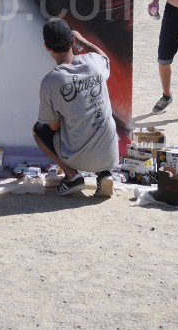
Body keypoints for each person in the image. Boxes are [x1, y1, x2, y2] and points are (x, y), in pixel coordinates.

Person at [33, 18, 120, 197]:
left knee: (39, 130)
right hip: (110, 154)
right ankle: (104, 174)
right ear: (72, 41)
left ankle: (72, 176)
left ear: (47, 47)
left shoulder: (50, 82)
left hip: (77, 158)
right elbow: (104, 56)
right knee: (99, 120)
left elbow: (53, 127)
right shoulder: (93, 62)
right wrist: (83, 41)